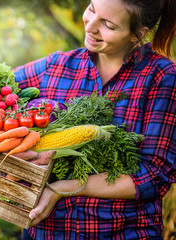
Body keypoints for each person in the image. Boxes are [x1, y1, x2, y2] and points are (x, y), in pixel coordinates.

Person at [14, 0, 176, 239]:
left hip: (121, 233)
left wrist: (65, 188)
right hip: (47, 232)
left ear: (136, 34)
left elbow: (153, 174)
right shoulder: (56, 65)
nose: (90, 26)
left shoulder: (161, 78)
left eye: (108, 24)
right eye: (91, 9)